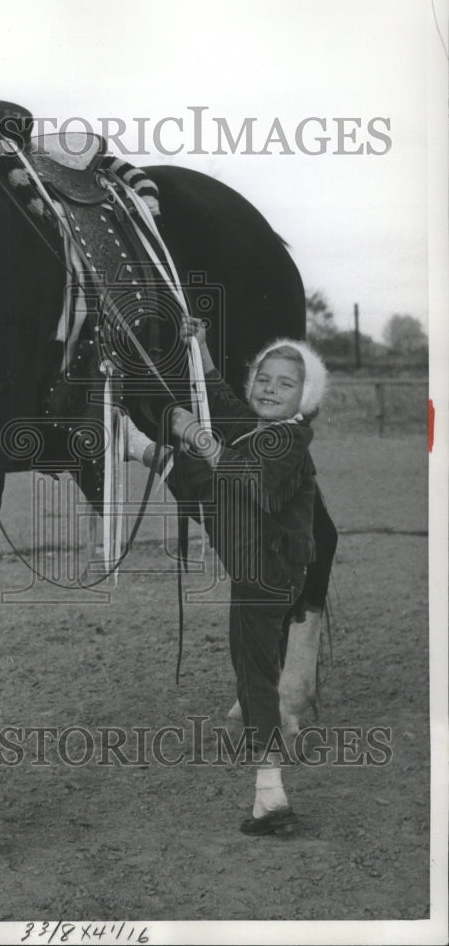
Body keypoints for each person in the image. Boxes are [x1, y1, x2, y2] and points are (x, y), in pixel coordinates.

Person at [124, 317, 328, 835]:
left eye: (285, 385)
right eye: (263, 377)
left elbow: (255, 480)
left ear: (305, 400)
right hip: (262, 564)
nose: (269, 388)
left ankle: (271, 792)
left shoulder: (288, 441)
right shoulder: (264, 426)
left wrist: (195, 436)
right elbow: (219, 397)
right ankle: (150, 451)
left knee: (255, 677)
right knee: (254, 670)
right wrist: (204, 349)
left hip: (266, 572)